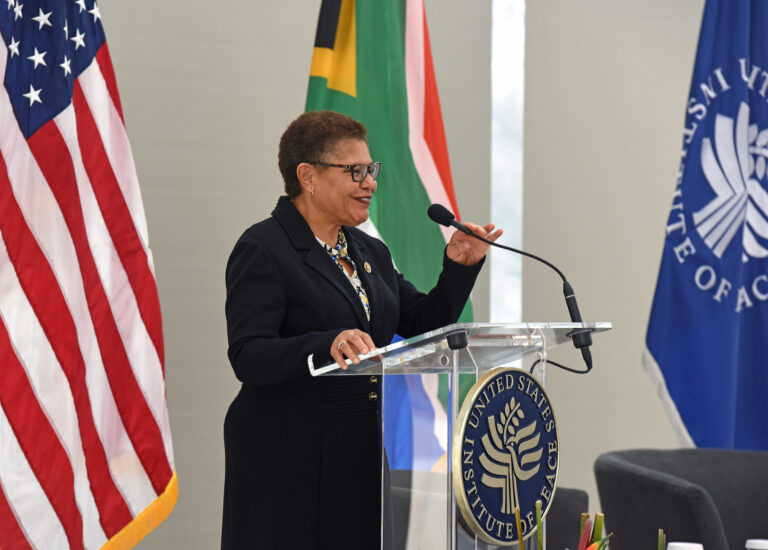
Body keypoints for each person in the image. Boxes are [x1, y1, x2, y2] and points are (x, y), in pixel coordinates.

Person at [221, 110, 501, 549]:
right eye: (355, 171)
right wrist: (326, 344)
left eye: (372, 170)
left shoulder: (369, 251)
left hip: (357, 450)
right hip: (285, 455)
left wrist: (458, 269)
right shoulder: (264, 247)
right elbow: (248, 354)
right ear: (308, 176)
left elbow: (419, 323)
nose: (370, 183)